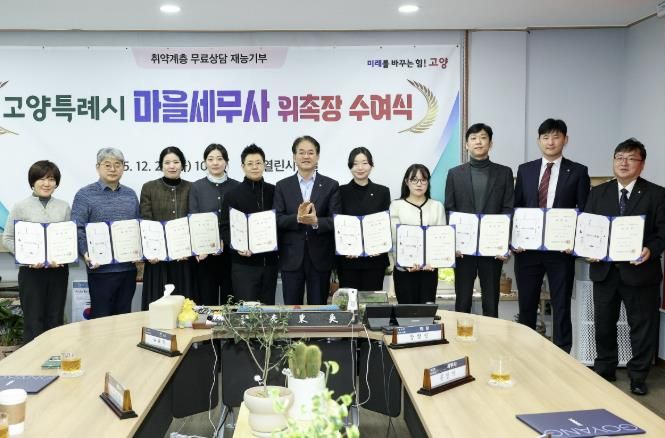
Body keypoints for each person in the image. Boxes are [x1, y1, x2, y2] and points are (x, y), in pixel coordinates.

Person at [585, 139, 665, 396]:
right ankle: (605, 368)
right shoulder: (598, 193)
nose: (623, 163)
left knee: (642, 327)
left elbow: (662, 233)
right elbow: (588, 228)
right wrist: (588, 249)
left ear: (642, 165)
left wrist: (650, 249)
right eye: (619, 157)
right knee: (604, 324)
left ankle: (638, 376)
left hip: (641, 272)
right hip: (605, 271)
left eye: (631, 158)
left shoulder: (657, 194)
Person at [513, 118, 590, 353]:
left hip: (561, 252)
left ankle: (562, 353)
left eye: (556, 137)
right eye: (545, 137)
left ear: (565, 140)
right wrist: (514, 240)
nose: (550, 141)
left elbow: (585, 212)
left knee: (561, 304)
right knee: (527, 304)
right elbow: (516, 208)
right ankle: (524, 351)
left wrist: (576, 242)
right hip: (528, 251)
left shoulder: (578, 171)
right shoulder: (525, 170)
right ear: (538, 140)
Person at [445, 123, 514, 317]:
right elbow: (449, 209)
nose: (478, 142)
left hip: (492, 249)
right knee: (462, 301)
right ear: (466, 144)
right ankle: (461, 336)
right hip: (463, 250)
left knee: (491, 302)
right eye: (473, 138)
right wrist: (452, 243)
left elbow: (508, 209)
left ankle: (490, 336)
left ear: (490, 143)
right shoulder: (454, 174)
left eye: (483, 137)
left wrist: (503, 244)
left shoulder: (504, 173)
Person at [3, 161, 70, 343]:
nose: (46, 183)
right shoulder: (20, 206)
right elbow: (8, 238)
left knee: (55, 319)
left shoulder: (64, 206)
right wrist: (26, 258)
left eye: (51, 179)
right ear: (32, 182)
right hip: (31, 272)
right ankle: (33, 360)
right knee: (33, 321)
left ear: (56, 183)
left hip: (58, 271)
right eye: (41, 179)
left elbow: (68, 238)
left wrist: (64, 256)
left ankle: (54, 357)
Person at [71, 148, 140, 318]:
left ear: (123, 167)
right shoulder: (84, 195)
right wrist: (85, 253)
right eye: (107, 165)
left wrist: (139, 251)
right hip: (100, 271)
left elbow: (138, 227)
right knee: (101, 320)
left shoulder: (131, 194)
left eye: (117, 164)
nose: (113, 169)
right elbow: (77, 228)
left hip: (127, 270)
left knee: (124, 317)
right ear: (98, 167)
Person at [273, 135, 340, 305]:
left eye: (310, 153)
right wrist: (297, 219)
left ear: (317, 156)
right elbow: (277, 219)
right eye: (301, 152)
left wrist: (316, 221)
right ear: (294, 157)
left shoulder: (331, 185)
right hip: (291, 257)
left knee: (318, 309)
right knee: (291, 309)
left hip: (320, 257)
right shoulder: (282, 186)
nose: (306, 156)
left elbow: (336, 220)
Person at [220, 144, 278, 304]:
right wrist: (237, 246)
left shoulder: (275, 192)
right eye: (250, 163)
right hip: (243, 265)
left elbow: (280, 222)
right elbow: (224, 227)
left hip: (270, 264)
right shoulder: (232, 195)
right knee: (246, 311)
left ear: (264, 165)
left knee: (268, 311)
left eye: (258, 163)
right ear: (242, 166)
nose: (254, 167)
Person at [140, 146, 195, 309]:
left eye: (176, 162)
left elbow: (194, 220)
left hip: (184, 257)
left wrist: (189, 248)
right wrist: (151, 251)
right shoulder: (149, 188)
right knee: (157, 305)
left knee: (184, 306)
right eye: (167, 162)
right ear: (161, 165)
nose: (172, 166)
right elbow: (146, 220)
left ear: (183, 165)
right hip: (157, 259)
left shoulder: (192, 188)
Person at [189, 143, 239, 305]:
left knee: (230, 300)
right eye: (210, 159)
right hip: (205, 254)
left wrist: (225, 239)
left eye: (219, 158)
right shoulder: (196, 187)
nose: (215, 163)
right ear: (205, 162)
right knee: (206, 300)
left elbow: (238, 221)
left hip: (231, 253)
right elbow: (194, 219)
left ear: (226, 161)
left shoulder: (237, 186)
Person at [390, 164, 445, 304]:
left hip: (429, 270)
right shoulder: (396, 206)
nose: (419, 184)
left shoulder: (437, 206)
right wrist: (405, 263)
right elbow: (394, 239)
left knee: (427, 311)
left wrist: (435, 260)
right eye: (414, 180)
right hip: (405, 271)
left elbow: (441, 239)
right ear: (406, 182)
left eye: (423, 180)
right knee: (406, 312)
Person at [337, 147, 391, 291]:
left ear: (372, 165)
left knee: (371, 301)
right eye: (355, 164)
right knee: (349, 301)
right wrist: (345, 248)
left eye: (365, 163)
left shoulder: (382, 192)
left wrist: (380, 246)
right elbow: (337, 224)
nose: (360, 168)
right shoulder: (340, 191)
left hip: (375, 259)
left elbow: (385, 223)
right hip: (348, 259)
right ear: (350, 167)